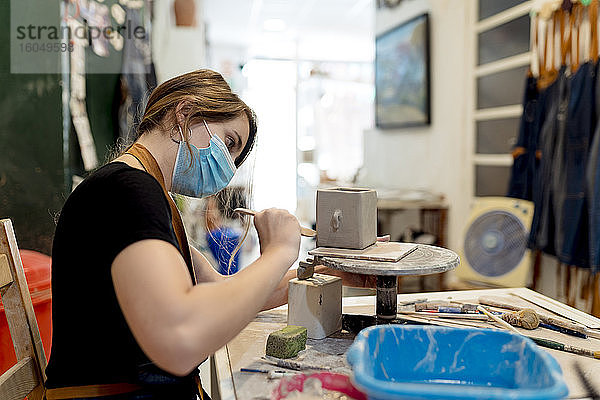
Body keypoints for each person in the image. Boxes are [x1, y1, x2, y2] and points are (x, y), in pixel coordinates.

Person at [44, 69, 374, 400]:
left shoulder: (145, 192)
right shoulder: (128, 192)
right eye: (229, 143)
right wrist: (280, 251)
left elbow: (219, 288)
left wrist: (331, 272)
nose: (229, 168)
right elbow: (181, 339)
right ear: (185, 113)